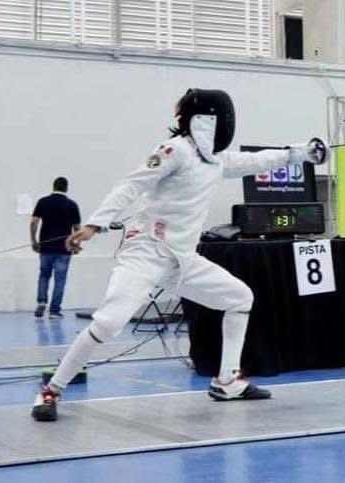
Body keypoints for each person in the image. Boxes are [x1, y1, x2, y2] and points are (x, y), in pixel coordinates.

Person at [31, 89, 329, 421]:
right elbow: (131, 184)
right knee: (109, 322)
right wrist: (93, 225)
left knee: (239, 297)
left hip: (182, 260)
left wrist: (303, 152)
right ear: (208, 120)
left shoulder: (216, 161)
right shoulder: (175, 151)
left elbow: (259, 161)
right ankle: (51, 390)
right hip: (146, 252)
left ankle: (227, 380)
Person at [30, 177, 81, 319]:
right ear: (66, 188)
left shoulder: (43, 202)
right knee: (60, 280)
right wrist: (76, 244)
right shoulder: (72, 205)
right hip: (64, 249)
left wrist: (34, 240)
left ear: (53, 187)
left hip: (45, 247)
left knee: (44, 275)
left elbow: (34, 222)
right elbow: (77, 228)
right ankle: (54, 311)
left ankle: (41, 302)